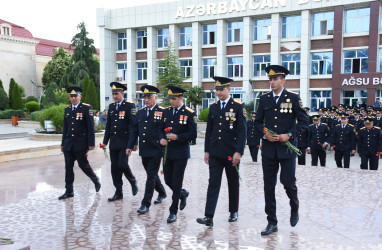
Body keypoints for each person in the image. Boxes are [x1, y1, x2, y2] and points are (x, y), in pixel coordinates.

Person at [254, 65, 309, 236]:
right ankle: (272, 221)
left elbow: (304, 121)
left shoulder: (293, 97)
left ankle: (294, 205)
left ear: (283, 80)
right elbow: (257, 122)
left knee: (288, 183)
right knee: (268, 186)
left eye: (275, 79)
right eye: (270, 79)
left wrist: (290, 135)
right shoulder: (264, 99)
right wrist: (265, 133)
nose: (271, 82)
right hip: (269, 150)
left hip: (286, 150)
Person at [196, 76, 247, 228]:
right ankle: (209, 216)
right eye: (216, 90)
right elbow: (210, 130)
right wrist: (206, 151)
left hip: (231, 153)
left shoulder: (238, 106)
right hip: (215, 153)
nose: (218, 93)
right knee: (213, 183)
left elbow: (242, 131)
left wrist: (239, 152)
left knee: (233, 183)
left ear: (229, 90)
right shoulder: (213, 107)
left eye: (221, 90)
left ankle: (233, 211)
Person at [159, 85, 197, 223]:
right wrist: (161, 138)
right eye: (170, 99)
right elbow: (161, 129)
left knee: (176, 180)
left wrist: (178, 137)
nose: (171, 102)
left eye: (174, 99)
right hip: (167, 152)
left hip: (181, 153)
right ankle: (182, 193)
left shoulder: (189, 113)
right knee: (168, 180)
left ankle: (173, 211)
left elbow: (193, 134)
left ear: (181, 98)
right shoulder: (167, 112)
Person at [59, 86, 101, 200]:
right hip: (69, 144)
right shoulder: (67, 110)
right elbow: (65, 128)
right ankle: (69, 191)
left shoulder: (86, 108)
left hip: (81, 144)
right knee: (68, 167)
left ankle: (95, 180)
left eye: (75, 96)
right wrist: (63, 144)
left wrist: (91, 143)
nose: (73, 98)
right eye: (71, 96)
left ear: (80, 96)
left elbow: (90, 127)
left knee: (83, 165)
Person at [101, 82, 138, 202]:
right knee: (114, 169)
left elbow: (134, 127)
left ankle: (132, 180)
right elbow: (109, 126)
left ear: (123, 93)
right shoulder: (111, 106)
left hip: (125, 142)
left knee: (122, 164)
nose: (114, 96)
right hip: (114, 143)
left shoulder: (129, 106)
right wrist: (105, 141)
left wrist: (133, 144)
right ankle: (118, 192)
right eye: (113, 94)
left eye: (116, 93)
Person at [136, 85, 167, 214]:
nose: (146, 100)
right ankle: (162, 192)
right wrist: (131, 144)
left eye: (149, 97)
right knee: (151, 174)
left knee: (150, 176)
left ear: (156, 97)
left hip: (156, 149)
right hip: (144, 148)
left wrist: (163, 139)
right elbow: (135, 130)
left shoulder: (162, 111)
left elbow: (166, 129)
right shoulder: (141, 112)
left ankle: (145, 203)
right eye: (145, 97)